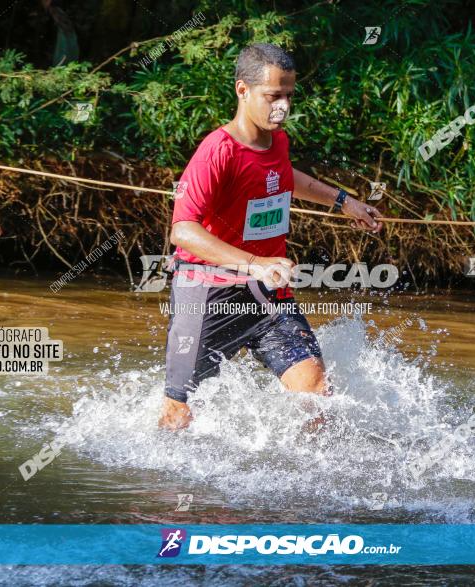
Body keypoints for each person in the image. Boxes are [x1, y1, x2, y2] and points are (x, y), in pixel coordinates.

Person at [158, 42, 383, 430]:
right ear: (242, 91)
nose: (283, 107)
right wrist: (255, 263)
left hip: (267, 293)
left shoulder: (277, 140)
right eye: (273, 96)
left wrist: (343, 200)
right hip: (209, 294)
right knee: (179, 415)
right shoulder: (218, 151)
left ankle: (303, 488)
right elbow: (183, 230)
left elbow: (284, 175)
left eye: (289, 96)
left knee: (316, 396)